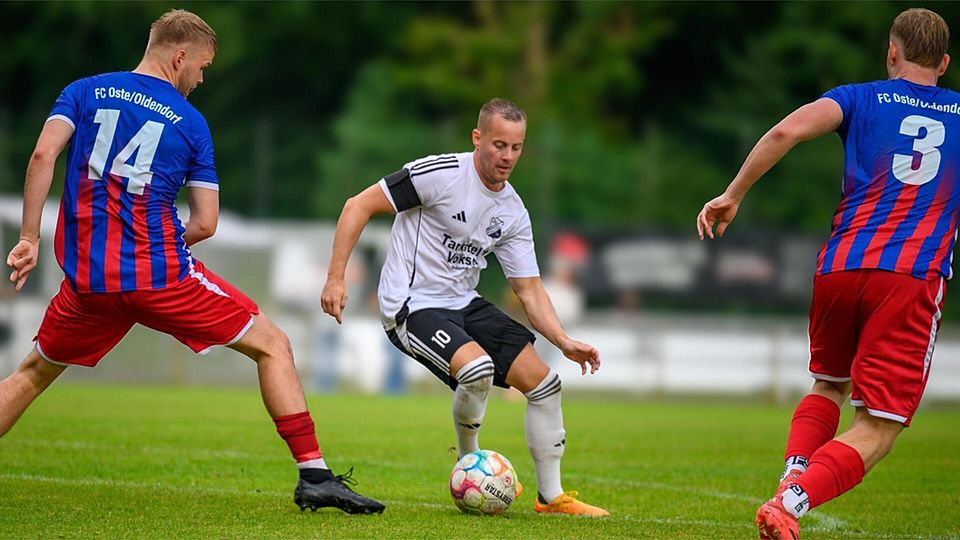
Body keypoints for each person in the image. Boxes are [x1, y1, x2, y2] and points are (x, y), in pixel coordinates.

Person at [0, 9, 384, 515]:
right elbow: (206, 222)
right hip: (160, 276)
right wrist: (158, 239)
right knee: (273, 345)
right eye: (201, 67)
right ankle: (314, 475)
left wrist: (29, 236)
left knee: (30, 374)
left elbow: (42, 157)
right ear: (179, 57)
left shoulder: (85, 90)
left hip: (89, 279)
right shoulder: (190, 124)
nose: (201, 79)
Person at [697, 8, 955, 538]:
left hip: (840, 265)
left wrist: (732, 195)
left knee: (828, 384)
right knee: (880, 427)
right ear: (945, 64)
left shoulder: (859, 96)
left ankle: (790, 477)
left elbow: (786, 131)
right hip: (908, 277)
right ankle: (791, 502)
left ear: (891, 52)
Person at [321, 98, 609, 516]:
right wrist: (335, 277)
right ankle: (468, 464)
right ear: (477, 139)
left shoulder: (512, 211)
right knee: (477, 370)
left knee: (545, 385)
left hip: (464, 303)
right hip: (411, 305)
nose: (507, 156)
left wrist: (563, 340)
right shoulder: (439, 175)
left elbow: (529, 289)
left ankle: (551, 498)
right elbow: (358, 206)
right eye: (498, 145)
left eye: (516, 147)